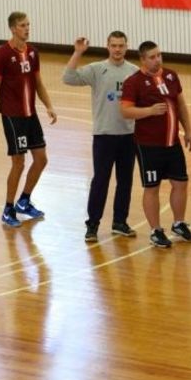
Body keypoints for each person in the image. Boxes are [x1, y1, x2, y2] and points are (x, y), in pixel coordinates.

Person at [62, 31, 138, 243]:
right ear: (107, 46)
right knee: (100, 181)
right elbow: (68, 77)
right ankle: (93, 225)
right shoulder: (97, 69)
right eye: (114, 45)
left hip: (128, 135)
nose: (117, 49)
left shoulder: (134, 72)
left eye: (121, 45)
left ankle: (120, 222)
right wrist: (78, 53)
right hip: (104, 135)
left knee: (125, 181)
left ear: (126, 47)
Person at [120, 41, 191, 248]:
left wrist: (189, 131)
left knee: (180, 183)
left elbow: (180, 104)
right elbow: (125, 111)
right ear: (143, 60)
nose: (157, 60)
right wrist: (149, 111)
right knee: (152, 187)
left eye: (159, 55)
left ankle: (178, 224)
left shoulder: (171, 75)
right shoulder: (133, 82)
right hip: (148, 145)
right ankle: (155, 230)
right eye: (152, 57)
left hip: (172, 142)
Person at [0, 11, 57, 228]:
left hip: (30, 114)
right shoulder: (2, 54)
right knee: (18, 162)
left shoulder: (33, 52)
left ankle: (24, 201)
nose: (27, 28)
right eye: (22, 25)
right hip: (12, 116)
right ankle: (8, 209)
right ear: (12, 28)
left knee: (41, 159)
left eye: (28, 24)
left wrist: (49, 105)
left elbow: (38, 83)